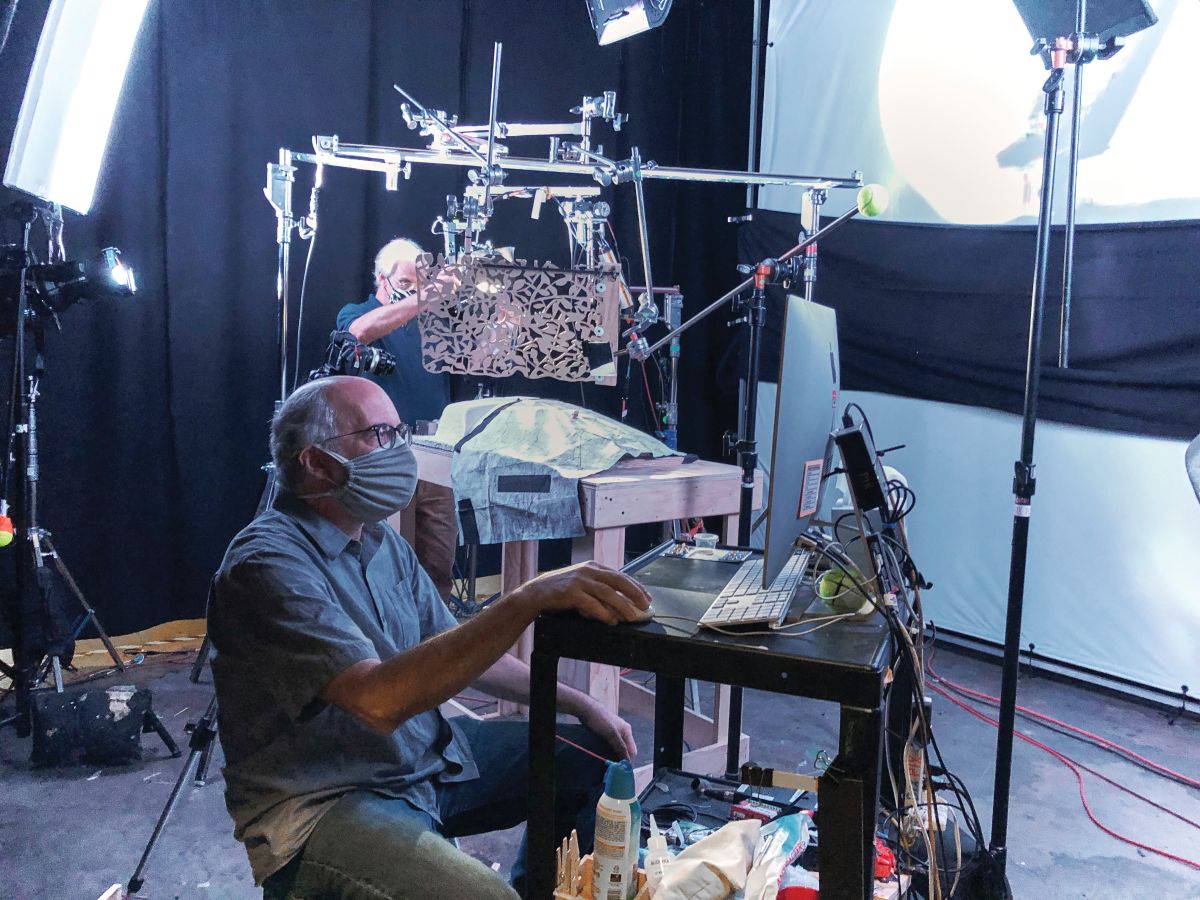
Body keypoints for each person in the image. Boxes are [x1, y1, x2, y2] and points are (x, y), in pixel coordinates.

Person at [208, 376, 648, 900]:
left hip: (422, 760)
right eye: (379, 434)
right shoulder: (266, 565)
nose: (400, 449)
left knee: (595, 760)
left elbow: (458, 648)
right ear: (316, 462)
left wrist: (577, 704)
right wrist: (527, 599)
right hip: (327, 798)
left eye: (401, 432)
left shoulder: (378, 540)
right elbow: (378, 701)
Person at [338, 237, 457, 603]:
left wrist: (505, 324)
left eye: (421, 285)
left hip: (436, 451)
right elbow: (359, 333)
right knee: (388, 559)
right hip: (386, 452)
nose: (416, 294)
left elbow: (477, 354)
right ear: (380, 279)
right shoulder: (356, 312)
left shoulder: (434, 324)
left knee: (438, 560)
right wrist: (427, 296)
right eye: (406, 285)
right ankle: (393, 647)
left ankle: (438, 643)